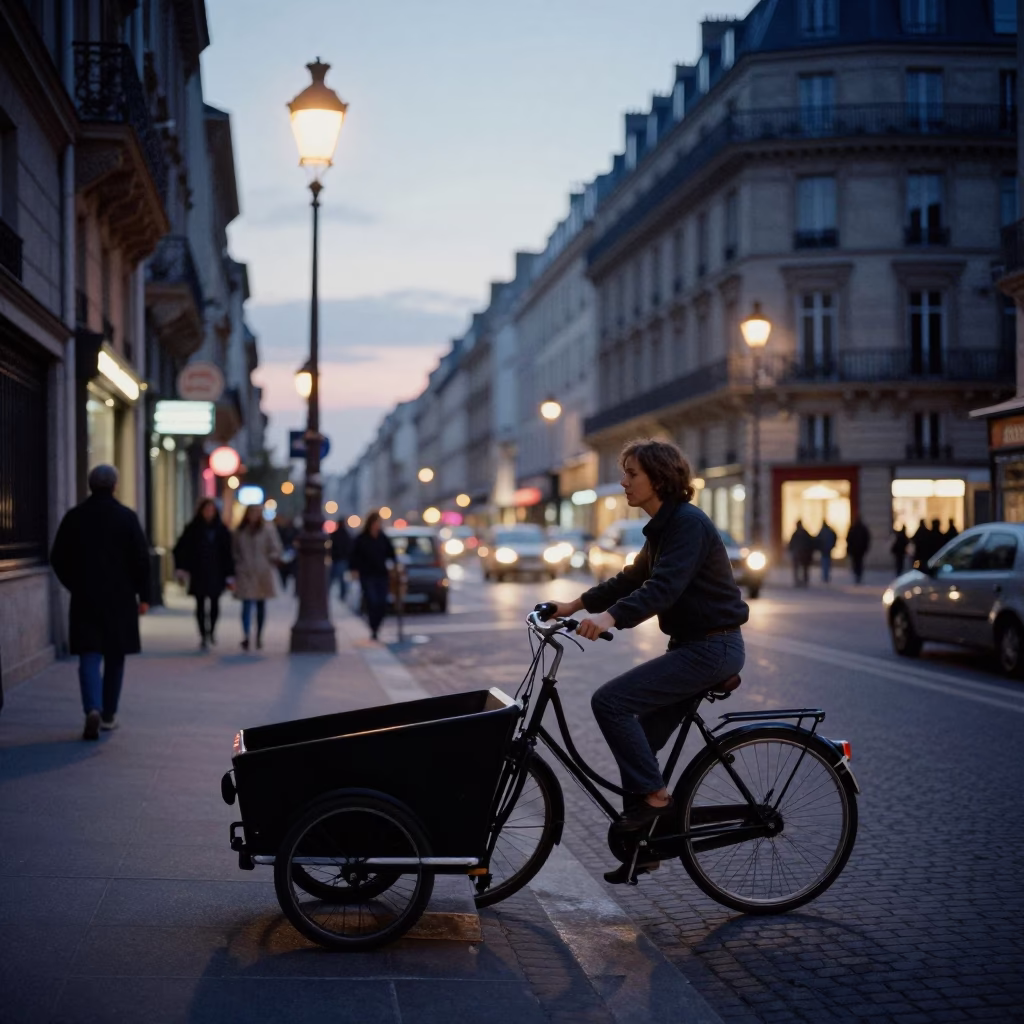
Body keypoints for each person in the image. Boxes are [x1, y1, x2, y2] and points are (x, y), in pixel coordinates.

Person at [545, 439, 748, 884]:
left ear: (657, 478)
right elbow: (632, 578)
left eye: (631, 474)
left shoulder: (688, 524)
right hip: (693, 647)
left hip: (713, 648)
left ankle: (657, 800)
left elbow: (663, 588)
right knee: (638, 745)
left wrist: (609, 618)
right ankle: (648, 848)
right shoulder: (663, 525)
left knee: (611, 703)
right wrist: (572, 605)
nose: (623, 482)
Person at [50, 465, 151, 739]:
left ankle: (91, 708)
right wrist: (145, 596)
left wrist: (75, 584)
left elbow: (58, 557)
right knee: (115, 657)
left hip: (85, 598)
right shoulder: (127, 517)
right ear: (115, 485)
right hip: (120, 599)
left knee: (89, 654)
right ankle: (108, 715)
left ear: (90, 485)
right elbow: (142, 560)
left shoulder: (75, 517)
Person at [173, 498, 235, 650]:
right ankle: (203, 634)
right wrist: (182, 568)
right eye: (206, 509)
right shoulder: (193, 528)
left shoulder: (221, 530)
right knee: (200, 604)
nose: (209, 513)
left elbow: (228, 553)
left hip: (216, 572)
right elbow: (180, 548)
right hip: (199, 571)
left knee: (215, 603)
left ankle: (211, 631)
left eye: (212, 510)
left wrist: (230, 574)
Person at [232, 504, 283, 650]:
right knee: (246, 605)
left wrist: (270, 559)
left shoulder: (267, 529)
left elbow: (276, 548)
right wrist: (238, 564)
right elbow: (234, 550)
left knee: (261, 605)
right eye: (251, 513)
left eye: (256, 513)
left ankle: (259, 636)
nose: (254, 516)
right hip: (245, 571)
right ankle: (246, 636)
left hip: (262, 572)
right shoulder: (240, 531)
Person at [349, 510, 397, 641]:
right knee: (372, 601)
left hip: (381, 574)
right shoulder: (361, 538)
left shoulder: (383, 538)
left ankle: (376, 626)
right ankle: (373, 627)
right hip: (367, 575)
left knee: (382, 602)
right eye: (376, 522)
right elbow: (354, 556)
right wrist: (354, 570)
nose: (378, 525)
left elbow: (391, 554)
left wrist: (394, 566)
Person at [330, 517, 353, 602]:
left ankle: (330, 593)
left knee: (334, 578)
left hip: (338, 559)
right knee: (341, 579)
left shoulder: (336, 534)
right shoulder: (346, 534)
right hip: (341, 559)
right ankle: (342, 595)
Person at [787, 520, 814, 587]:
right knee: (802, 569)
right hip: (801, 553)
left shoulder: (797, 534)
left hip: (801, 554)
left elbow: (791, 543)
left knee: (800, 568)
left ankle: (801, 581)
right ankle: (802, 581)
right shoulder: (802, 533)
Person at [275, 517, 299, 590]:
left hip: (292, 553)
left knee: (294, 572)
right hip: (285, 552)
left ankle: (294, 589)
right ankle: (284, 586)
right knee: (284, 572)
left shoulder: (295, 531)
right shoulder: (282, 530)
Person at [846, 515, 871, 584]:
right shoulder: (861, 528)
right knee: (859, 563)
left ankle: (857, 575)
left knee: (856, 563)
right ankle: (858, 575)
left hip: (856, 550)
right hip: (859, 550)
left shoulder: (853, 528)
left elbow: (848, 539)